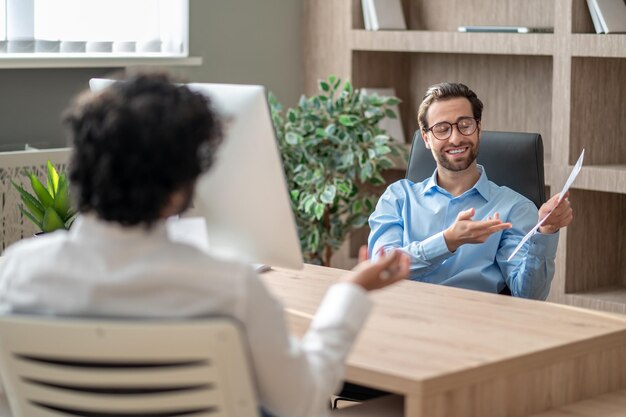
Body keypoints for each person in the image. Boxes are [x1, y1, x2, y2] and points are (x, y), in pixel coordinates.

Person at [0, 72, 410, 417]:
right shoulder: (227, 286)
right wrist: (348, 292)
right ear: (182, 186)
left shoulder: (17, 272)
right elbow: (301, 402)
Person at [368, 82, 573, 300]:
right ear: (426, 138)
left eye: (464, 125)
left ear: (478, 129)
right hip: (401, 317)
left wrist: (546, 233)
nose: (455, 138)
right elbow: (382, 269)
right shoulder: (398, 197)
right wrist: (448, 241)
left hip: (473, 324)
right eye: (442, 129)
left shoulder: (514, 207)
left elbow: (529, 296)